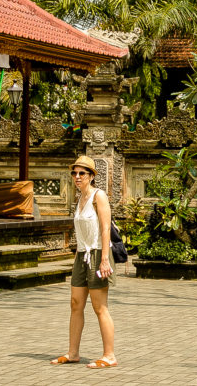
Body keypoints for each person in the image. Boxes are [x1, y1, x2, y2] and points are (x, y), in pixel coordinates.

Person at [51, 156, 118, 369]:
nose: (77, 177)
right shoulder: (79, 199)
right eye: (74, 173)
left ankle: (109, 355)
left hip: (99, 254)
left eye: (82, 173)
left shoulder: (99, 196)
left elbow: (106, 228)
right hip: (81, 255)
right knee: (75, 303)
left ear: (91, 176)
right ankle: (73, 353)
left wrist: (105, 260)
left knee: (100, 307)